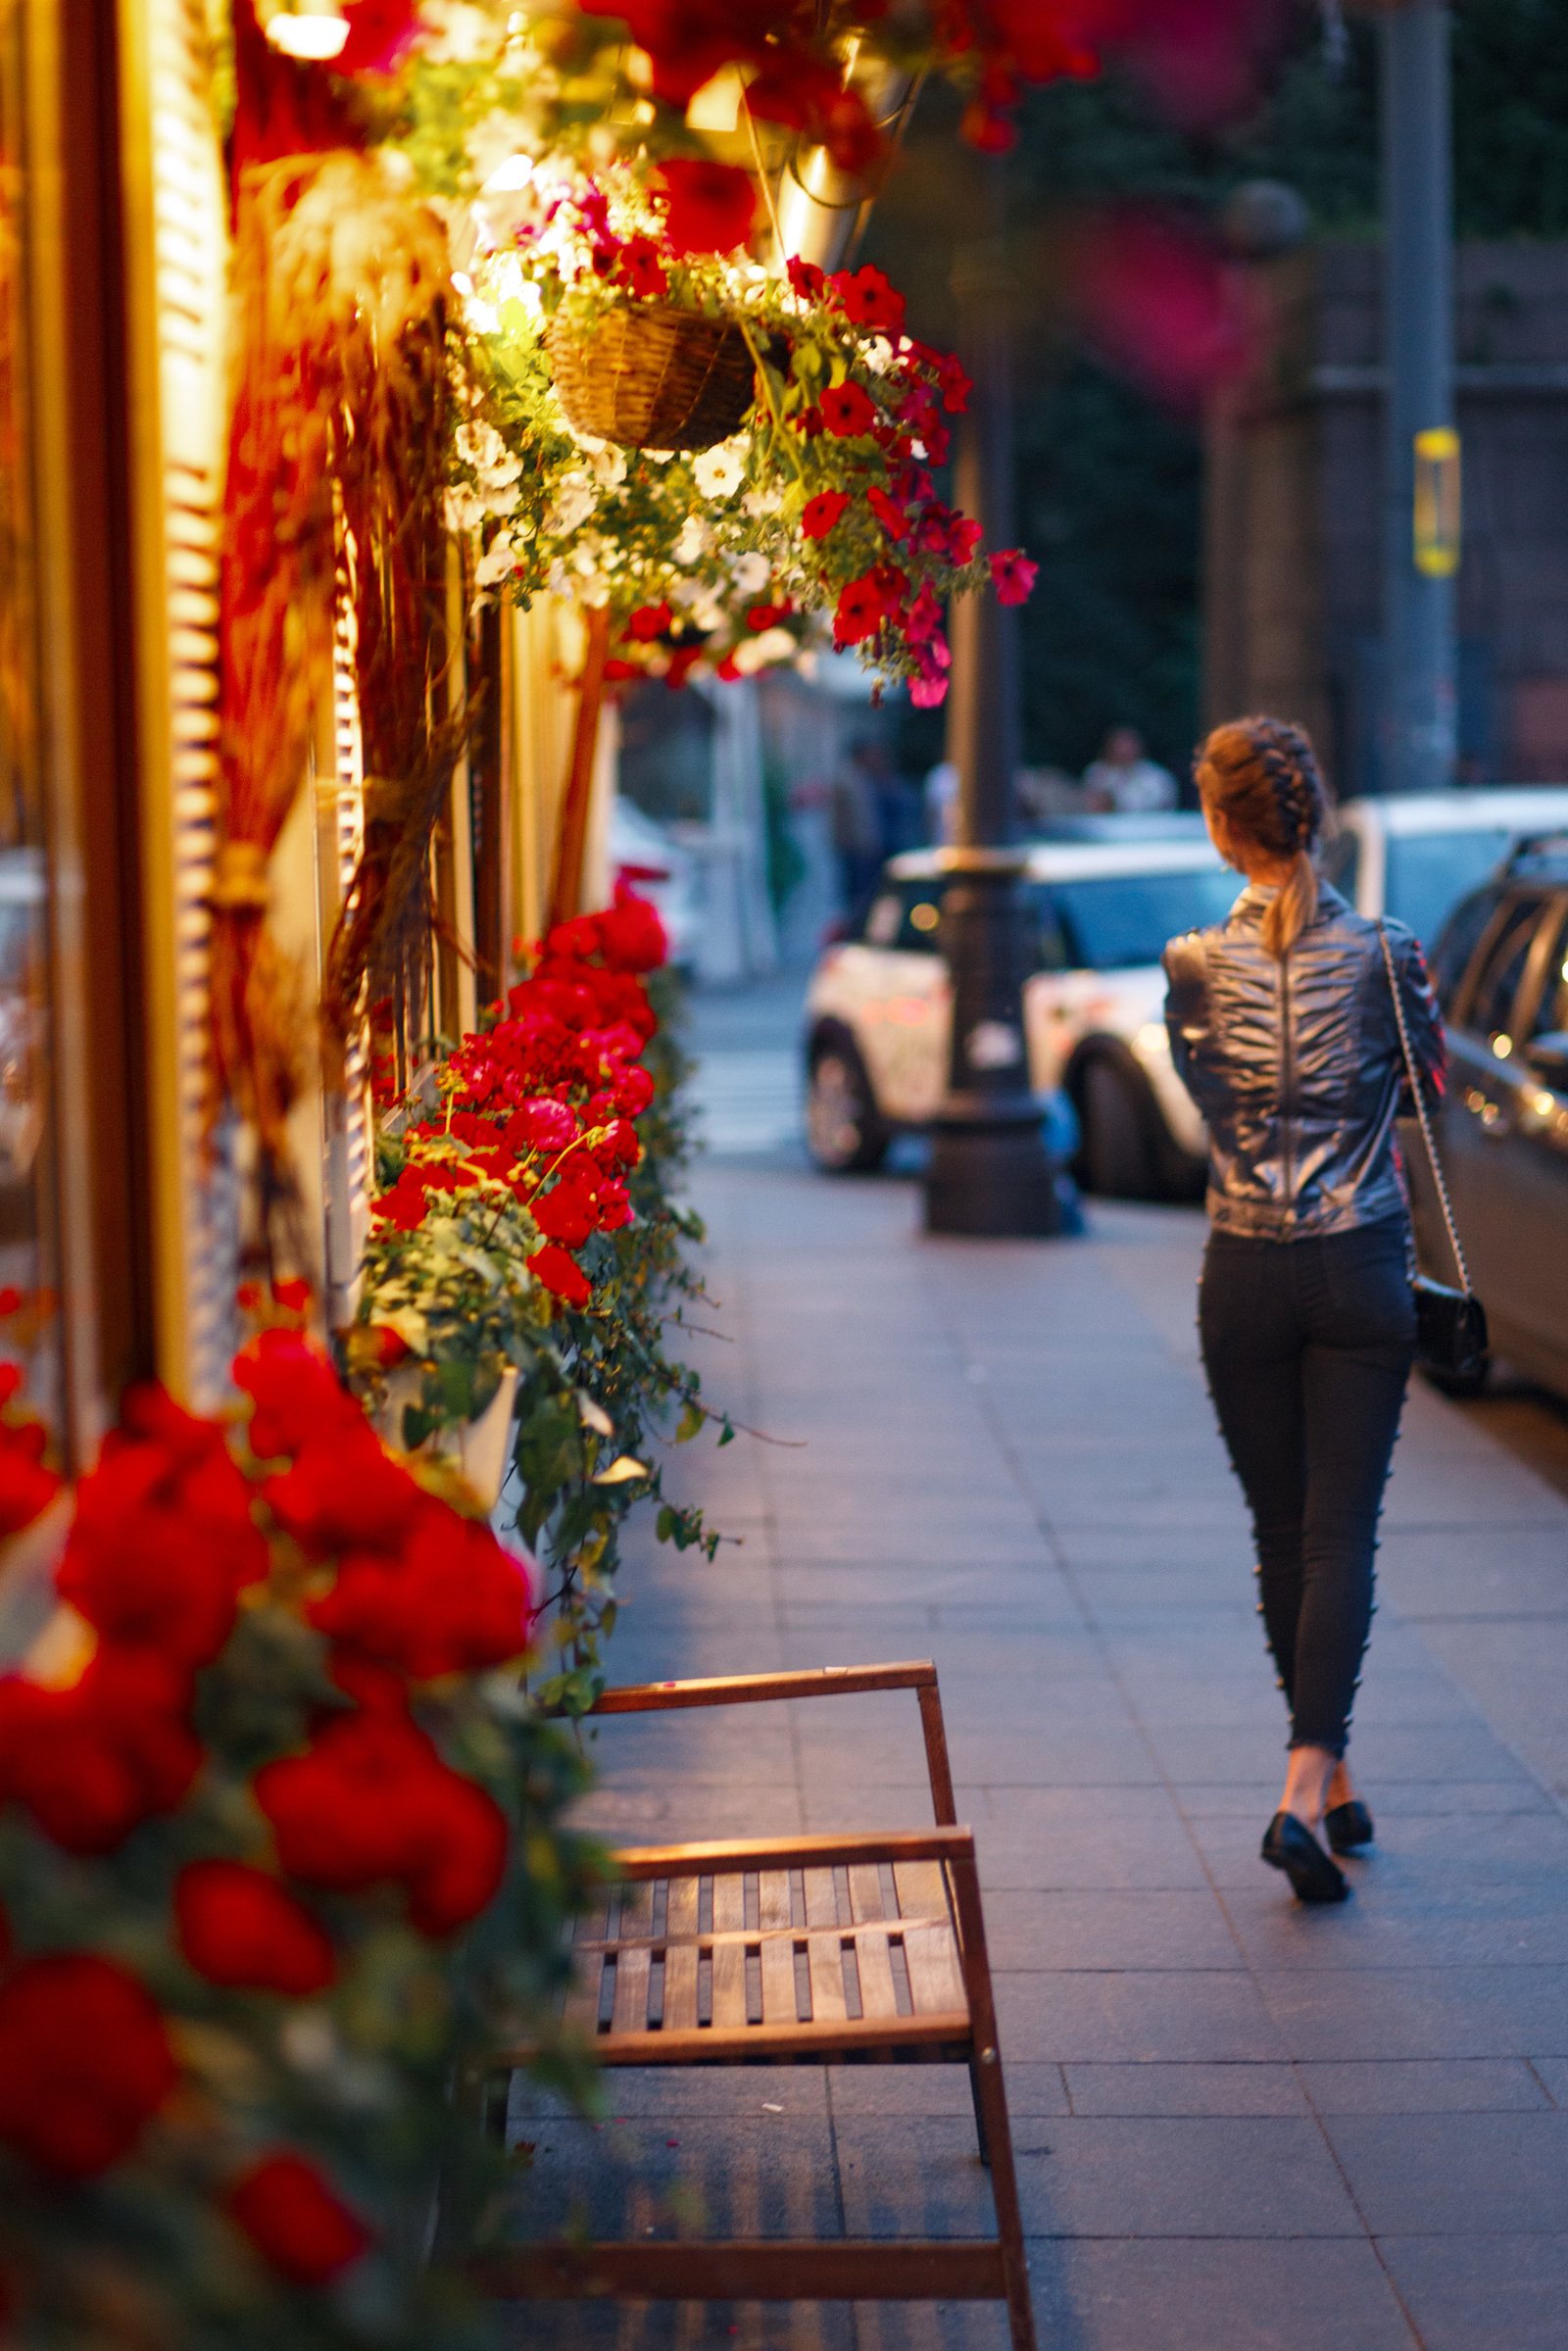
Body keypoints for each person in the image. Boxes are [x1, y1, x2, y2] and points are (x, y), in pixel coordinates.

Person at [1162, 716, 1445, 1905]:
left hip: (1243, 1270)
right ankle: (1303, 1788)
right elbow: (1428, 1092)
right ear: (1311, 815)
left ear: (1223, 828)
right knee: (1341, 1535)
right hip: (1357, 1261)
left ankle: (1322, 1781)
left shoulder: (1187, 965)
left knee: (1284, 1535)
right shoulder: (1388, 953)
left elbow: (1203, 1105)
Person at [1082, 725, 1178, 812]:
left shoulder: (1156, 776)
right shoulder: (1096, 772)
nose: (1123, 751)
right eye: (1118, 746)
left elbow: (1165, 805)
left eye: (1127, 746)